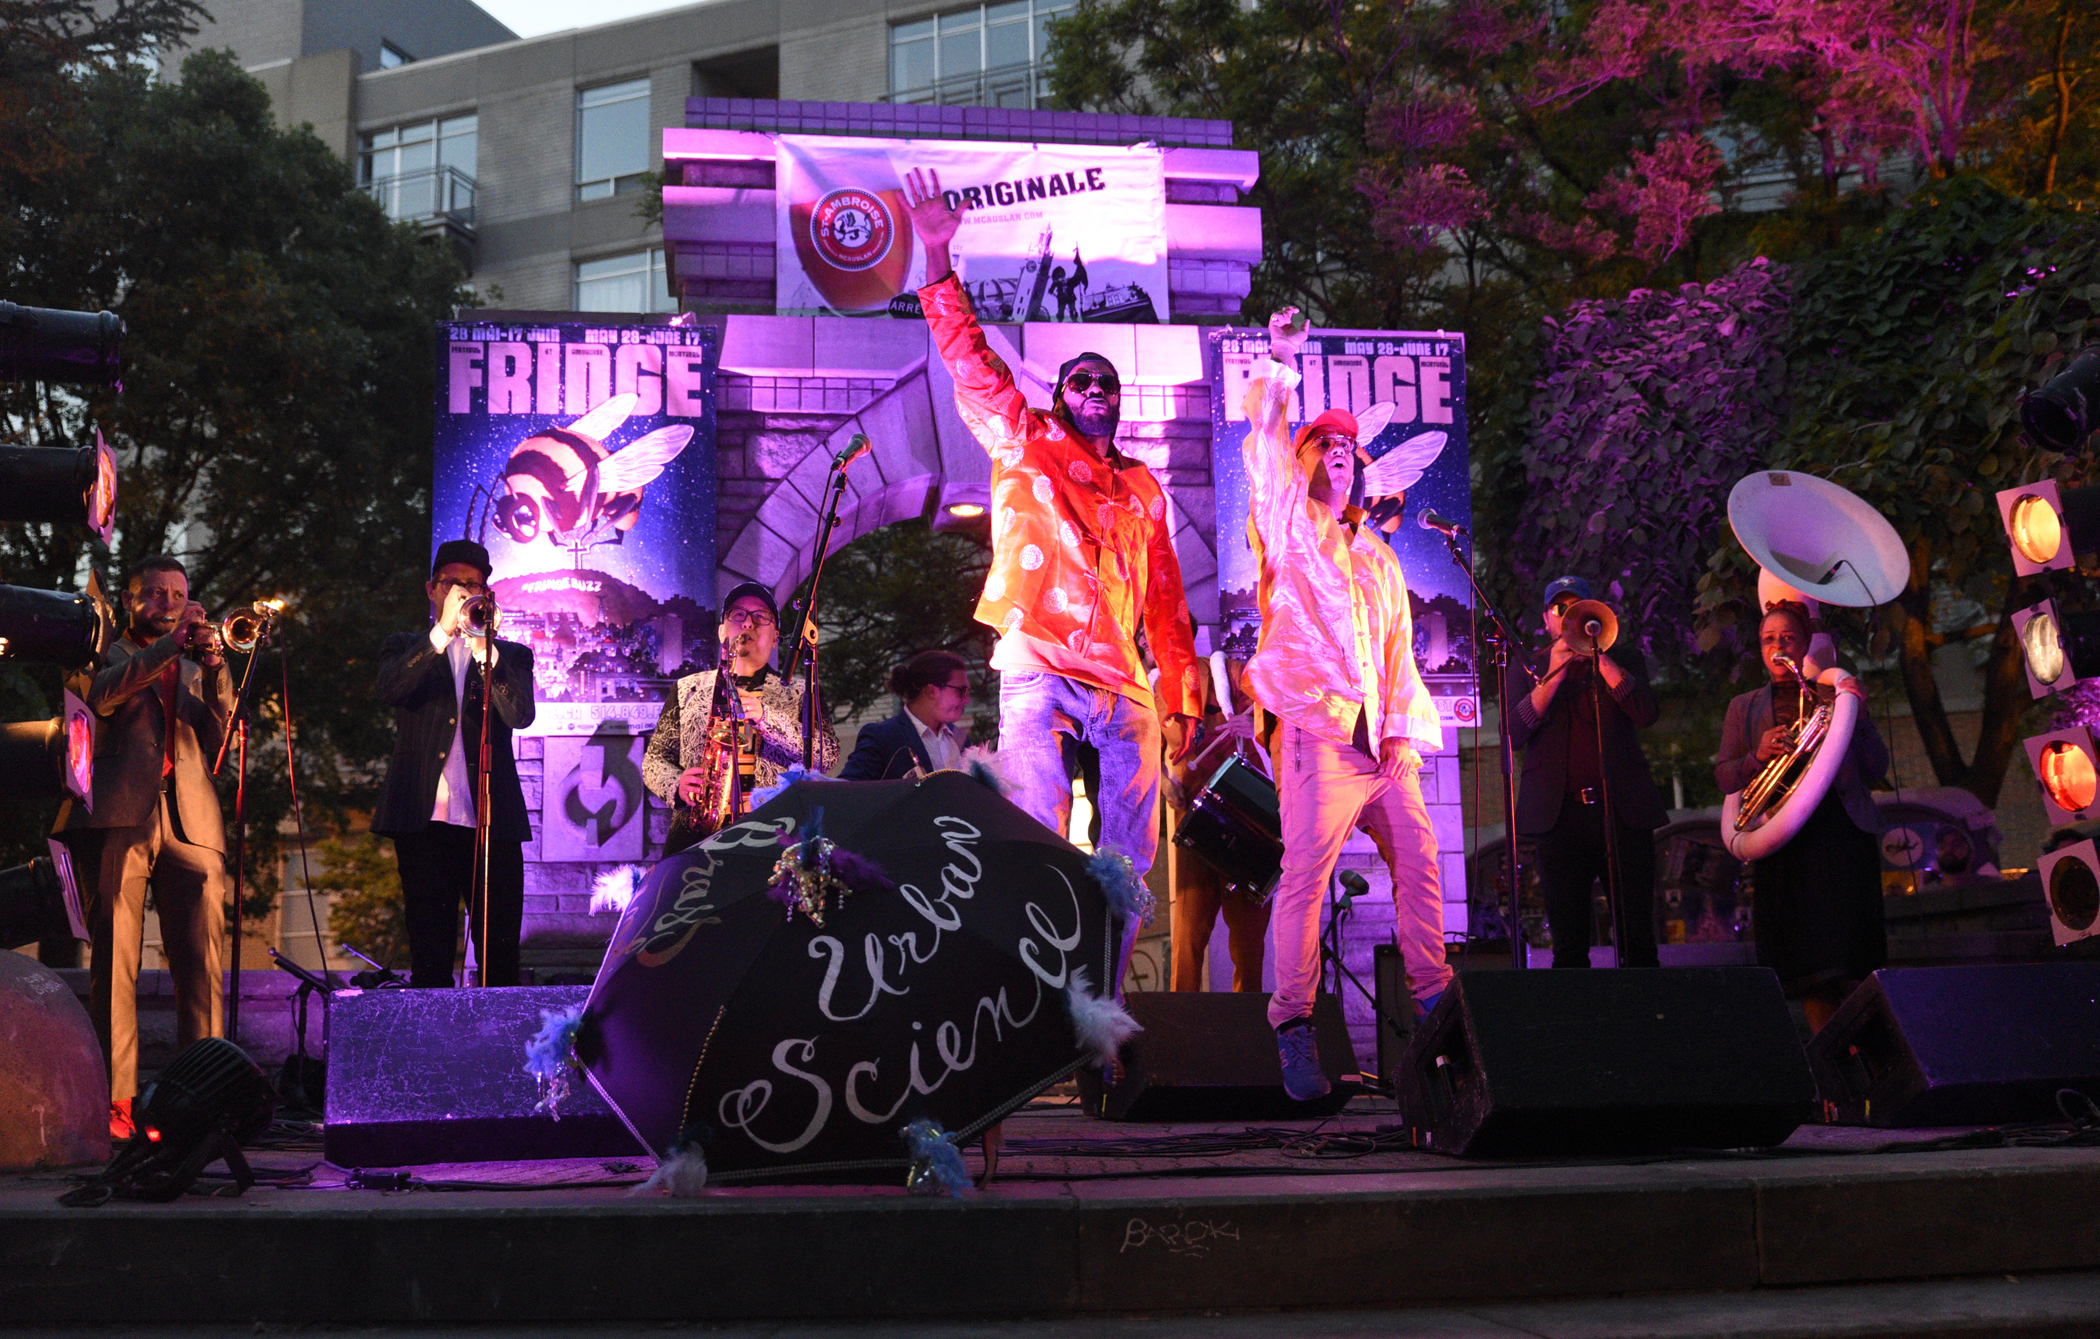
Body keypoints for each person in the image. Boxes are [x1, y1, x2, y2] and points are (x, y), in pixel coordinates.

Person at [902, 167, 1202, 887]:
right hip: (1039, 657)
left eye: (1108, 383)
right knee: (1037, 823)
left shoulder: (1142, 487)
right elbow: (970, 362)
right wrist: (936, 254)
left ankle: (1102, 991)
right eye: (1081, 381)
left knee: (1131, 853)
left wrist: (1183, 703)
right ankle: (1039, 984)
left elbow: (1167, 601)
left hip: (1122, 683)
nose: (1096, 388)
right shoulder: (1024, 438)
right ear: (1062, 397)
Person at [1242, 307, 1449, 1101]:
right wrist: (1281, 358)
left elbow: (1399, 651)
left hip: (1381, 747)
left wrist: (1401, 733)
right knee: (1305, 875)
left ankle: (1434, 1000)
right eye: (1320, 443)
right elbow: (1264, 444)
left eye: (1345, 446)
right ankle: (1292, 1024)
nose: (1336, 451)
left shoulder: (1376, 557)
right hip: (1320, 735)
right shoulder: (1288, 525)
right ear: (1303, 462)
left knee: (1422, 859)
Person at [56, 555, 235, 1138]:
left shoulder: (195, 662)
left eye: (177, 594)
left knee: (203, 971)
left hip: (193, 820)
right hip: (118, 817)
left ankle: (203, 1103)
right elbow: (102, 698)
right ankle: (116, 1108)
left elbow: (223, 742)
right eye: (154, 594)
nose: (167, 603)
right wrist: (170, 649)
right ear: (132, 600)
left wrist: (214, 666)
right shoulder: (98, 651)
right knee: (115, 967)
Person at [1716, 601, 1889, 1032]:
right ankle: (1833, 1077)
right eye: (1768, 639)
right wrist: (1757, 756)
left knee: (1852, 969)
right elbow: (1723, 776)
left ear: (1805, 644)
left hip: (1841, 838)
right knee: (1810, 976)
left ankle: (1872, 1068)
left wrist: (1860, 718)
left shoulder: (1837, 695)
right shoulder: (1744, 707)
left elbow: (1875, 769)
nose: (1778, 646)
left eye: (1787, 638)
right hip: (1785, 845)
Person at [372, 540, 537, 989]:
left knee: (499, 958)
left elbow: (521, 715)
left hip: (492, 823)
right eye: (452, 585)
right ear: (432, 589)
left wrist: (489, 653)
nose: (463, 594)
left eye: (473, 585)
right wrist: (442, 633)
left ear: (488, 593)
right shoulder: (404, 646)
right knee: (431, 958)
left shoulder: (512, 655)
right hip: (424, 822)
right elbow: (390, 690)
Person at [1505, 576, 1668, 970]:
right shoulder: (1529, 667)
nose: (1568, 615)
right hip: (1558, 819)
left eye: (1578, 607)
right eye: (1560, 609)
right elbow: (1514, 733)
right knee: (1569, 945)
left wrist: (1602, 659)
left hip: (1622, 815)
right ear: (1547, 619)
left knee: (1638, 939)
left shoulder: (1624, 658)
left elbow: (1646, 713)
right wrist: (1555, 672)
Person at [643, 581, 839, 852]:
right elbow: (654, 760)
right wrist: (677, 784)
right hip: (695, 842)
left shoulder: (802, 691)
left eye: (760, 617)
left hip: (773, 839)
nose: (748, 624)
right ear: (722, 630)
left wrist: (766, 718)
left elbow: (825, 756)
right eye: (738, 615)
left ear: (775, 638)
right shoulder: (687, 688)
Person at [1166, 667, 1271, 992]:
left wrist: (1257, 722)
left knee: (1248, 938)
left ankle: (1248, 1026)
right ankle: (1181, 1027)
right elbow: (1146, 735)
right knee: (1188, 932)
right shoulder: (1161, 680)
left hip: (1245, 814)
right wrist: (1161, 781)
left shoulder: (1235, 671)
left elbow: (1289, 707)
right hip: (1193, 811)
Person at [840, 649, 973, 780]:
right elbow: (848, 789)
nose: (967, 700)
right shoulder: (884, 737)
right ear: (931, 691)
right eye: (961, 691)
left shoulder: (959, 739)